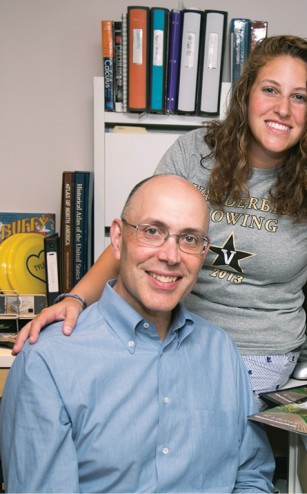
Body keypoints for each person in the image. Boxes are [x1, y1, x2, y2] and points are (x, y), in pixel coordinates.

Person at [14, 35, 307, 408]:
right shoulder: (194, 153)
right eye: (270, 90)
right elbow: (139, 239)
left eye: (300, 97)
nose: (283, 109)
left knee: (189, 418)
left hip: (257, 350)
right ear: (246, 94)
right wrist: (77, 298)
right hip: (169, 329)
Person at [0, 175, 275, 493]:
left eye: (189, 239)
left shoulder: (220, 351)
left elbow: (252, 474)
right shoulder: (47, 362)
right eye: (152, 231)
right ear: (118, 238)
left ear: (203, 252)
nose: (170, 256)